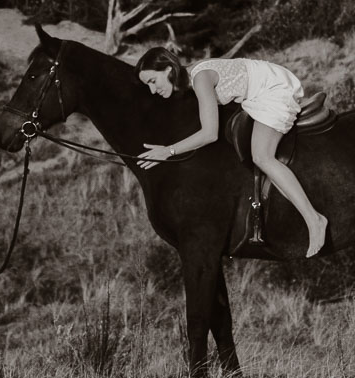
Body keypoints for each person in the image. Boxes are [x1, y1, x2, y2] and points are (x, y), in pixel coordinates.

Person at [134, 48, 328, 258]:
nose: (152, 90)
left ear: (169, 69)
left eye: (153, 81)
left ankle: (315, 220)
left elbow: (209, 134)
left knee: (262, 156)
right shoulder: (190, 79)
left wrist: (168, 151)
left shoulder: (200, 79)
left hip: (271, 88)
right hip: (257, 91)